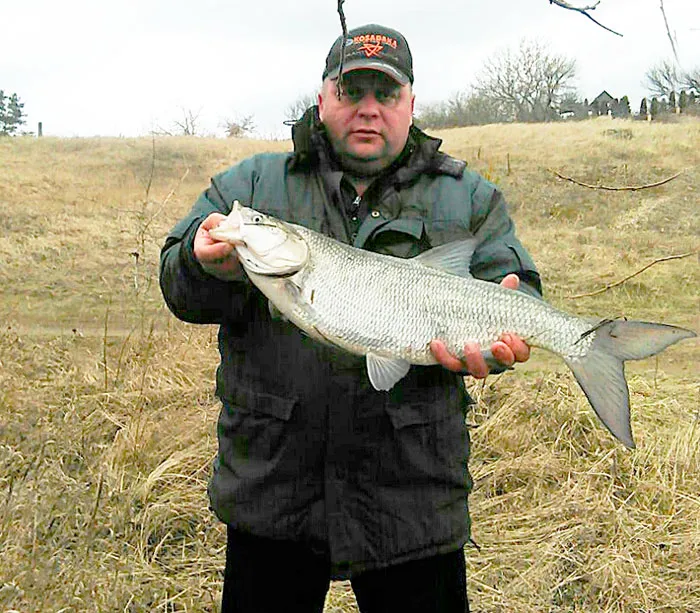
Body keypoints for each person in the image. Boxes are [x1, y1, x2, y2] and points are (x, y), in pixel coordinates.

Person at [160, 23, 542, 613]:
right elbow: (179, 286)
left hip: (413, 503)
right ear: (322, 99)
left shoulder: (468, 196)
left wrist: (511, 326)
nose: (367, 110)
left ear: (411, 104)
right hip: (273, 495)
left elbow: (516, 285)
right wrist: (201, 260)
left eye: (384, 94)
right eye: (349, 91)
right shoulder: (254, 184)